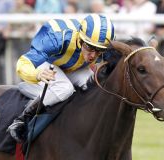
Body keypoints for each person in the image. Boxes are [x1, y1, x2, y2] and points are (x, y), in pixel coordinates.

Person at [7, 14, 115, 142]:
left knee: (95, 87)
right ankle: (22, 119)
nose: (93, 55)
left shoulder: (103, 44)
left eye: (99, 50)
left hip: (73, 68)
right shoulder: (57, 38)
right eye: (89, 47)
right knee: (65, 88)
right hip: (47, 63)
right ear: (80, 39)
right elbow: (23, 62)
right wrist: (37, 74)